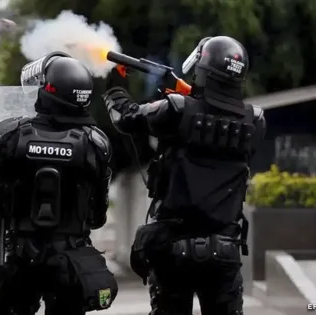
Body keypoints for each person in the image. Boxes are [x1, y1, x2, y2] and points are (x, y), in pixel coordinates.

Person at [103, 36, 266, 315]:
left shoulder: (177, 110)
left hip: (173, 249)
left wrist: (116, 86)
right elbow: (218, 117)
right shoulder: (257, 120)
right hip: (225, 251)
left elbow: (125, 117)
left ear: (202, 69)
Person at [0, 52, 118, 315]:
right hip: (71, 261)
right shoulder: (96, 143)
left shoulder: (10, 135)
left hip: (22, 260)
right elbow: (97, 217)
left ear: (47, 92)